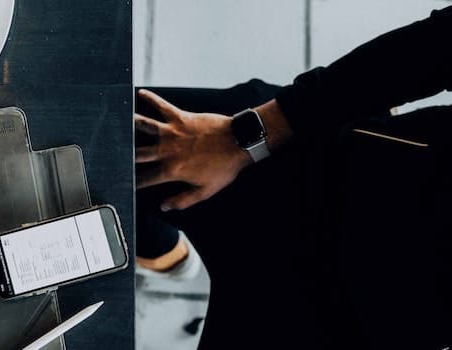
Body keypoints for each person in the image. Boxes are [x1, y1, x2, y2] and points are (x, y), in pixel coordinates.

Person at [136, 6, 452, 350]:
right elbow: (441, 42)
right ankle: (162, 249)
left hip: (349, 333)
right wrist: (246, 136)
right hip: (315, 169)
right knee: (95, 141)